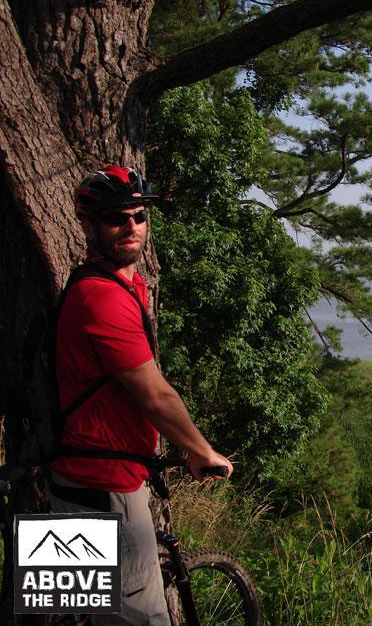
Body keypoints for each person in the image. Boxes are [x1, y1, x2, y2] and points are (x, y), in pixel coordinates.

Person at [46, 165, 233, 625]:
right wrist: (202, 451)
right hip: (108, 486)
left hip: (66, 479)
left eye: (139, 215)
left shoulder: (99, 283)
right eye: (115, 218)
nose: (131, 226)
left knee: (73, 615)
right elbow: (157, 397)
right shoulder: (103, 298)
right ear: (89, 226)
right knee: (141, 620)